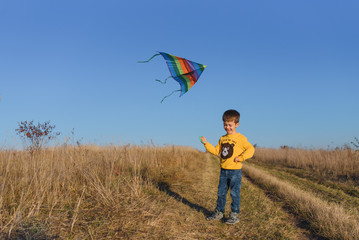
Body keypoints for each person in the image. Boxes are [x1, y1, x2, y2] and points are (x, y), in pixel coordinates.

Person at [200, 109, 255, 224]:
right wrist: (206, 143)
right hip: (224, 171)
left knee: (234, 193)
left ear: (237, 124)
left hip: (235, 172)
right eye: (225, 124)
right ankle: (219, 212)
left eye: (230, 125)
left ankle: (234, 215)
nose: (227, 127)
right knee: (221, 193)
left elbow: (251, 149)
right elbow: (216, 151)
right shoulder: (222, 138)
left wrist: (241, 158)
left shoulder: (241, 138)